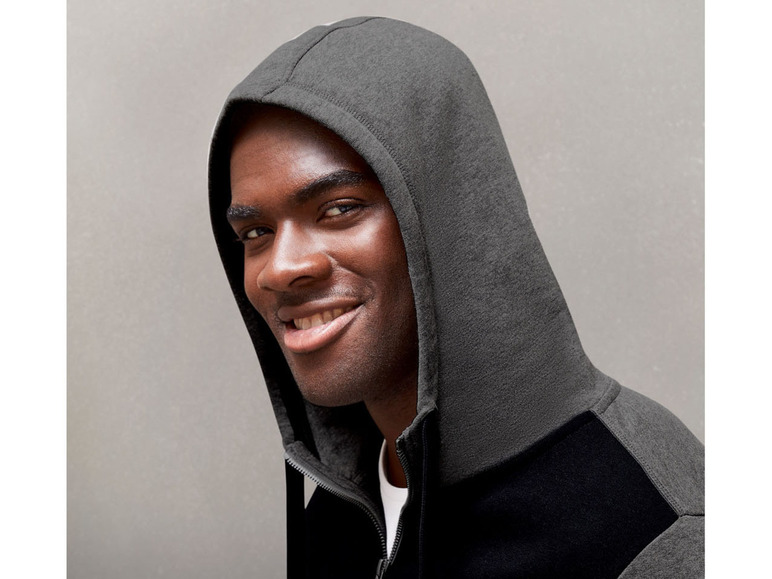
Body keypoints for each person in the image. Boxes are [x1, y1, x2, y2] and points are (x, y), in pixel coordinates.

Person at [208, 17, 704, 579]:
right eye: (255, 233)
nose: (280, 269)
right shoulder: (343, 508)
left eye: (340, 209)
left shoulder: (656, 529)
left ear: (449, 210)